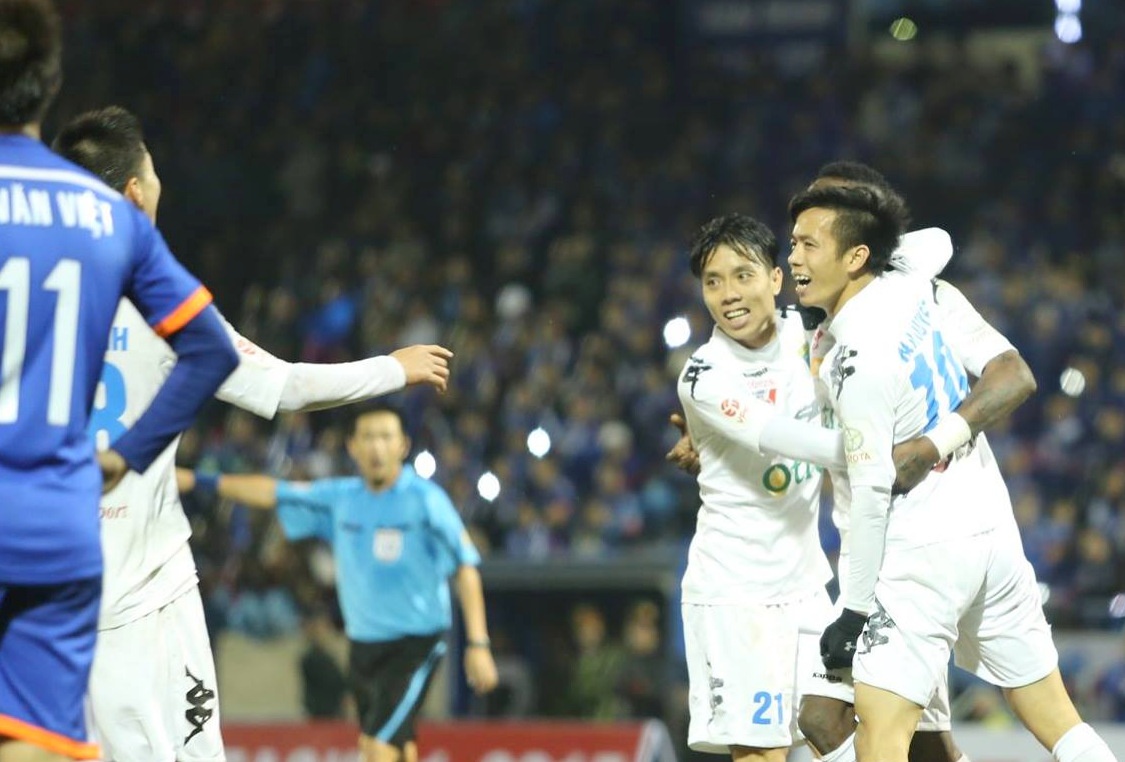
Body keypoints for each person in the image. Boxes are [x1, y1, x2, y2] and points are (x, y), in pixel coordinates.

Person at [51, 105, 455, 762]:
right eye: (153, 172)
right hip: (149, 596)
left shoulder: (26, 302)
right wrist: (391, 368)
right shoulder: (161, 302)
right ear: (134, 195)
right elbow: (283, 386)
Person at [668, 161, 1038, 762]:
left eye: (743, 275)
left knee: (855, 722)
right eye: (713, 282)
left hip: (810, 584)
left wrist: (870, 244)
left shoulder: (808, 329)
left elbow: (936, 244)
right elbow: (798, 441)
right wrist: (901, 441)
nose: (729, 294)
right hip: (737, 592)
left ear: (777, 277)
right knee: (764, 752)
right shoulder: (704, 376)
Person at [788, 183, 1116, 762]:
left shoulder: (855, 361)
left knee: (880, 740)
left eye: (809, 245)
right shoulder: (915, 283)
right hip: (988, 528)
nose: (793, 258)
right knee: (1057, 720)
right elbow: (935, 240)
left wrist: (855, 611)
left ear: (856, 255)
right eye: (793, 243)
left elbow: (872, 495)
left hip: (915, 555)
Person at [0, 3, 239, 761]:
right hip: (56, 525)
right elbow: (210, 350)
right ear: (48, 84)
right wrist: (126, 455)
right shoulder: (105, 216)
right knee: (39, 739)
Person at [178, 404, 499, 762]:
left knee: (376, 748)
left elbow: (466, 566)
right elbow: (274, 492)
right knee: (396, 746)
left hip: (415, 642)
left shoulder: (426, 501)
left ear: (403, 445)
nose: (377, 447)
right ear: (353, 446)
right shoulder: (342, 499)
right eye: (368, 437)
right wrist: (196, 480)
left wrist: (478, 643)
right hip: (363, 645)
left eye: (386, 437)